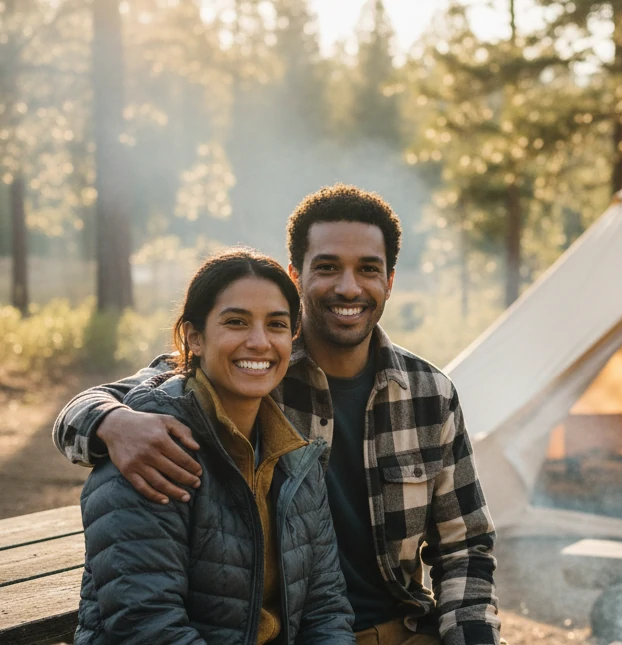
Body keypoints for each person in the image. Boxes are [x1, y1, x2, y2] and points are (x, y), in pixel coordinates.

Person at [56, 185, 502, 645]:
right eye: (327, 267)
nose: (348, 287)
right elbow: (110, 400)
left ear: (389, 280)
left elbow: (466, 545)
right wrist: (110, 423)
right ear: (296, 274)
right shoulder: (251, 369)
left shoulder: (429, 393)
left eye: (368, 269)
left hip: (401, 629)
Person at [73, 248, 355, 645]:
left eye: (276, 325)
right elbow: (147, 623)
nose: (259, 342)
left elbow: (327, 609)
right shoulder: (150, 446)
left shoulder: (297, 456)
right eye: (236, 322)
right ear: (194, 337)